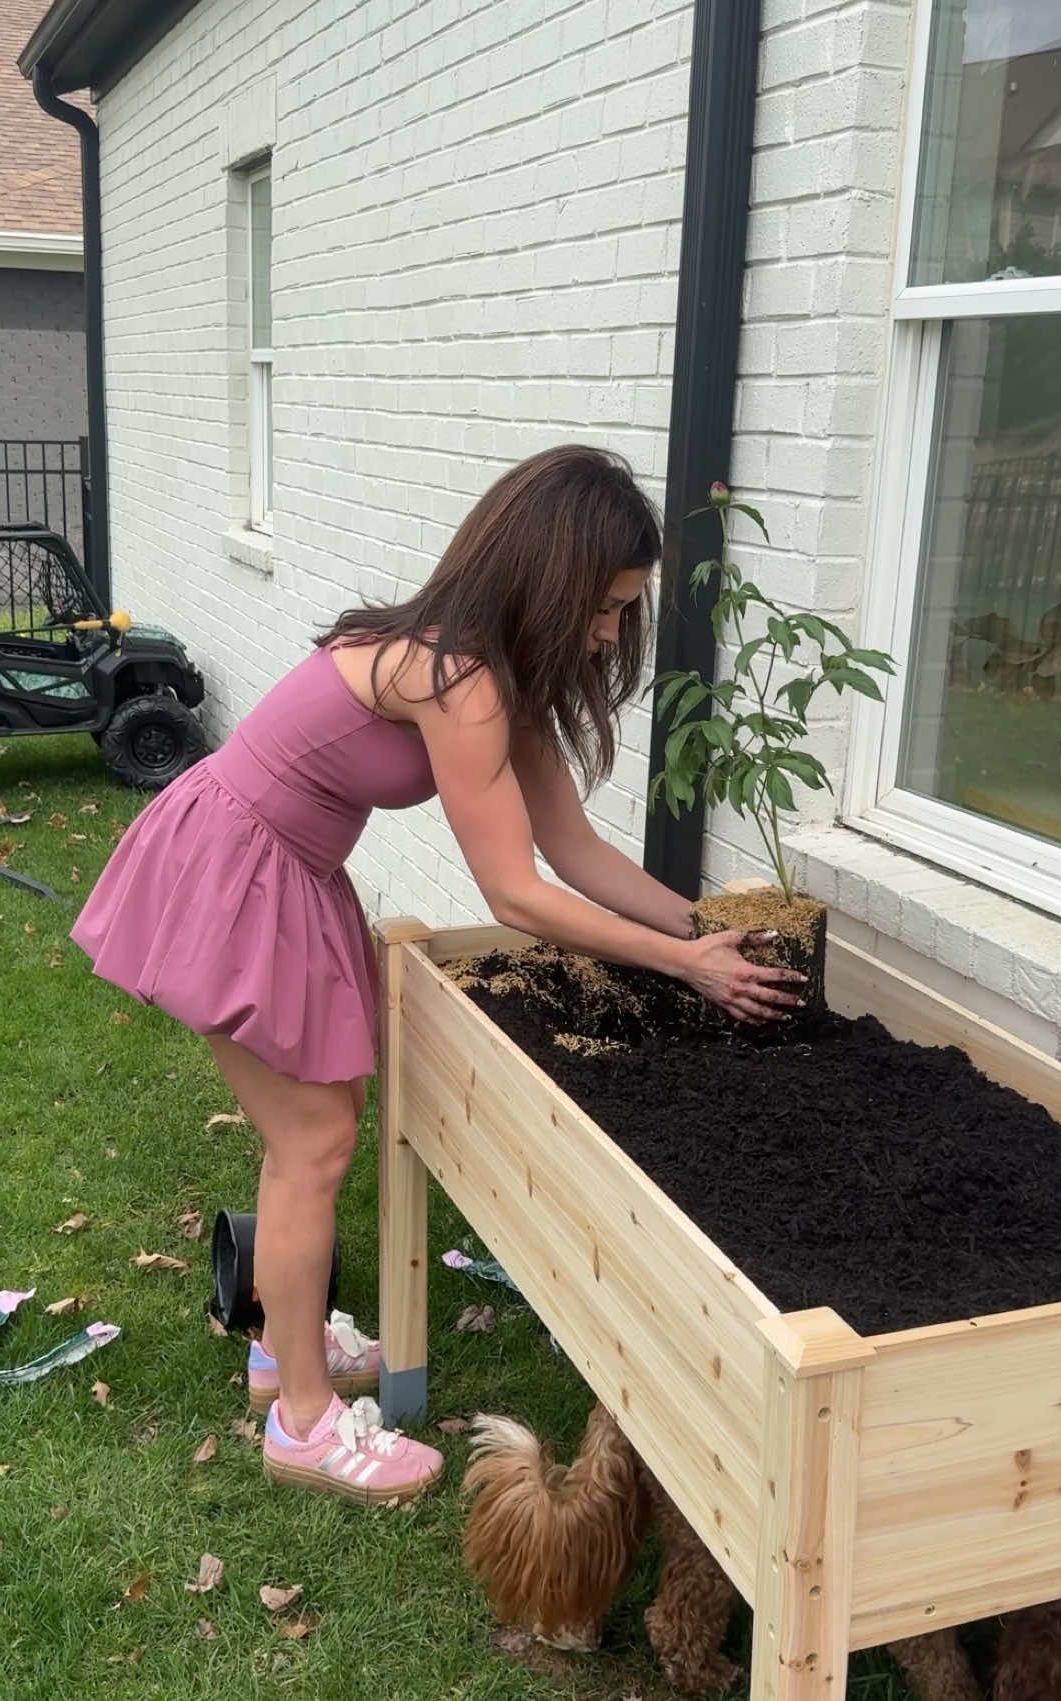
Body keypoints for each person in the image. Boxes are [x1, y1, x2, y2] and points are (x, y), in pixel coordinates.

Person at [71, 444, 803, 1505]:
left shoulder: (493, 674)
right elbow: (516, 895)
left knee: (321, 1131)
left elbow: (577, 853)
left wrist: (702, 929)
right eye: (602, 606)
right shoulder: (454, 677)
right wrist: (685, 967)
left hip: (283, 873)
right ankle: (305, 1423)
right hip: (235, 871)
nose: (609, 632)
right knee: (312, 1145)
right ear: (548, 581)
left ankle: (286, 1351)